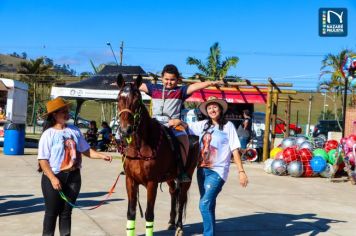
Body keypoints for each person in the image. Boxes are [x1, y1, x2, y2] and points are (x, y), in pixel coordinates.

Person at [37, 97, 112, 236]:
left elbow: (86, 150)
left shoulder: (74, 130)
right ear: (54, 114)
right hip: (53, 178)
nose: (67, 114)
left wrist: (102, 156)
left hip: (73, 178)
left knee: (66, 213)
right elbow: (43, 160)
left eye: (67, 111)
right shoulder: (48, 134)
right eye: (63, 112)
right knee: (51, 213)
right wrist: (53, 178)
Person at [139, 64, 223, 182]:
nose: (169, 82)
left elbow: (194, 86)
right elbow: (138, 85)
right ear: (162, 78)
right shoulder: (154, 89)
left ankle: (181, 170)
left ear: (177, 80)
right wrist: (121, 85)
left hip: (173, 124)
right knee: (136, 135)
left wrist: (209, 83)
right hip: (154, 124)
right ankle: (130, 165)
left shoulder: (180, 91)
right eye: (166, 79)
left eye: (172, 79)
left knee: (183, 138)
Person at [178, 96, 248, 236]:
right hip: (202, 171)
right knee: (209, 204)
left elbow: (234, 149)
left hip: (217, 172)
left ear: (221, 109)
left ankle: (208, 234)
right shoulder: (203, 125)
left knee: (203, 205)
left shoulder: (228, 126)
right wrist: (176, 121)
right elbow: (186, 126)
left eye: (215, 107)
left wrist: (241, 171)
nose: (212, 110)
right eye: (209, 108)